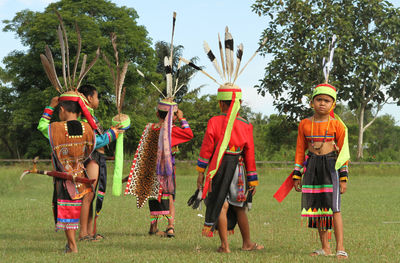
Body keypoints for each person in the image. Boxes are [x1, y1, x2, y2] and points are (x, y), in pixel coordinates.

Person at [196, 86, 264, 253]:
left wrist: (201, 172)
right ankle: (247, 243)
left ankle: (225, 245)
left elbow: (206, 149)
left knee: (221, 204)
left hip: (217, 167)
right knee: (239, 207)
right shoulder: (246, 124)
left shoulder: (214, 121)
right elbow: (249, 154)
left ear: (220, 103)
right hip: (238, 169)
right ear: (239, 103)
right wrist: (252, 179)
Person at [292, 83, 349, 259]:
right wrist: (297, 173)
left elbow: (343, 152)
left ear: (333, 105)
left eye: (326, 100)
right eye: (319, 99)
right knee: (317, 208)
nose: (322, 103)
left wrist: (343, 177)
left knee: (335, 208)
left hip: (331, 166)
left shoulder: (337, 125)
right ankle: (325, 247)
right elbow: (300, 150)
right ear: (311, 102)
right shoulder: (304, 124)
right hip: (312, 167)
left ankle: (340, 247)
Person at [124, 99, 193, 237]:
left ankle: (153, 227)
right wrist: (182, 118)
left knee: (153, 196)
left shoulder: (150, 128)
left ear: (157, 114)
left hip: (151, 169)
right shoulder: (171, 130)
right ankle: (170, 227)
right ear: (173, 116)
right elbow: (189, 134)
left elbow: (143, 151)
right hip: (166, 169)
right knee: (169, 196)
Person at [37, 93, 96, 253]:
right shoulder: (88, 128)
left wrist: (50, 106)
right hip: (81, 176)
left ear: (62, 109)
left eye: (58, 110)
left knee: (66, 210)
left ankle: (72, 246)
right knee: (74, 208)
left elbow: (42, 126)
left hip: (64, 179)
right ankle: (71, 245)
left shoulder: (55, 129)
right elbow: (98, 142)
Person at [77, 84, 122, 241]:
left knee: (91, 196)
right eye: (96, 97)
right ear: (89, 98)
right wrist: (112, 134)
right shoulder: (84, 118)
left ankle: (89, 232)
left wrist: (111, 132)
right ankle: (83, 233)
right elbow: (92, 142)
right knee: (88, 195)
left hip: (98, 158)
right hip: (92, 158)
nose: (97, 100)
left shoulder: (90, 117)